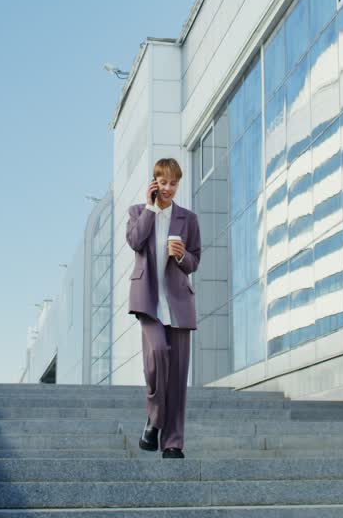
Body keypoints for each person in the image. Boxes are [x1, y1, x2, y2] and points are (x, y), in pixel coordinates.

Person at [125, 157, 201, 459]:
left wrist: (182, 255)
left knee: (178, 376)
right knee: (156, 356)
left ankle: (172, 444)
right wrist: (150, 208)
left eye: (173, 183)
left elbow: (194, 261)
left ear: (178, 184)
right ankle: (155, 418)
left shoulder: (188, 219)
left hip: (178, 303)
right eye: (163, 182)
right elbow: (135, 241)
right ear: (154, 182)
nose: (168, 188)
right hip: (148, 300)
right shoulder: (137, 212)